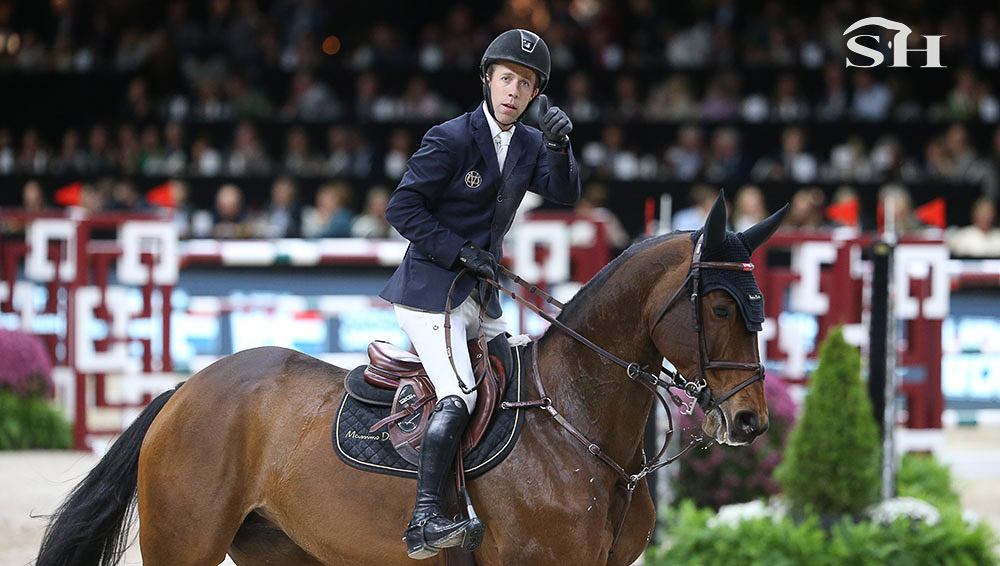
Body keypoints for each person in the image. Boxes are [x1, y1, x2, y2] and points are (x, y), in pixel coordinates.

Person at [379, 29, 580, 559]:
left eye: (526, 84)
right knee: (462, 393)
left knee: (518, 378)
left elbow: (564, 193)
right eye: (508, 78)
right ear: (489, 79)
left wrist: (561, 148)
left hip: (481, 296)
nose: (514, 91)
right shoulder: (450, 137)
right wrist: (459, 251)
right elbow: (401, 210)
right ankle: (424, 518)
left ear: (536, 95)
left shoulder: (532, 142)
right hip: (430, 290)